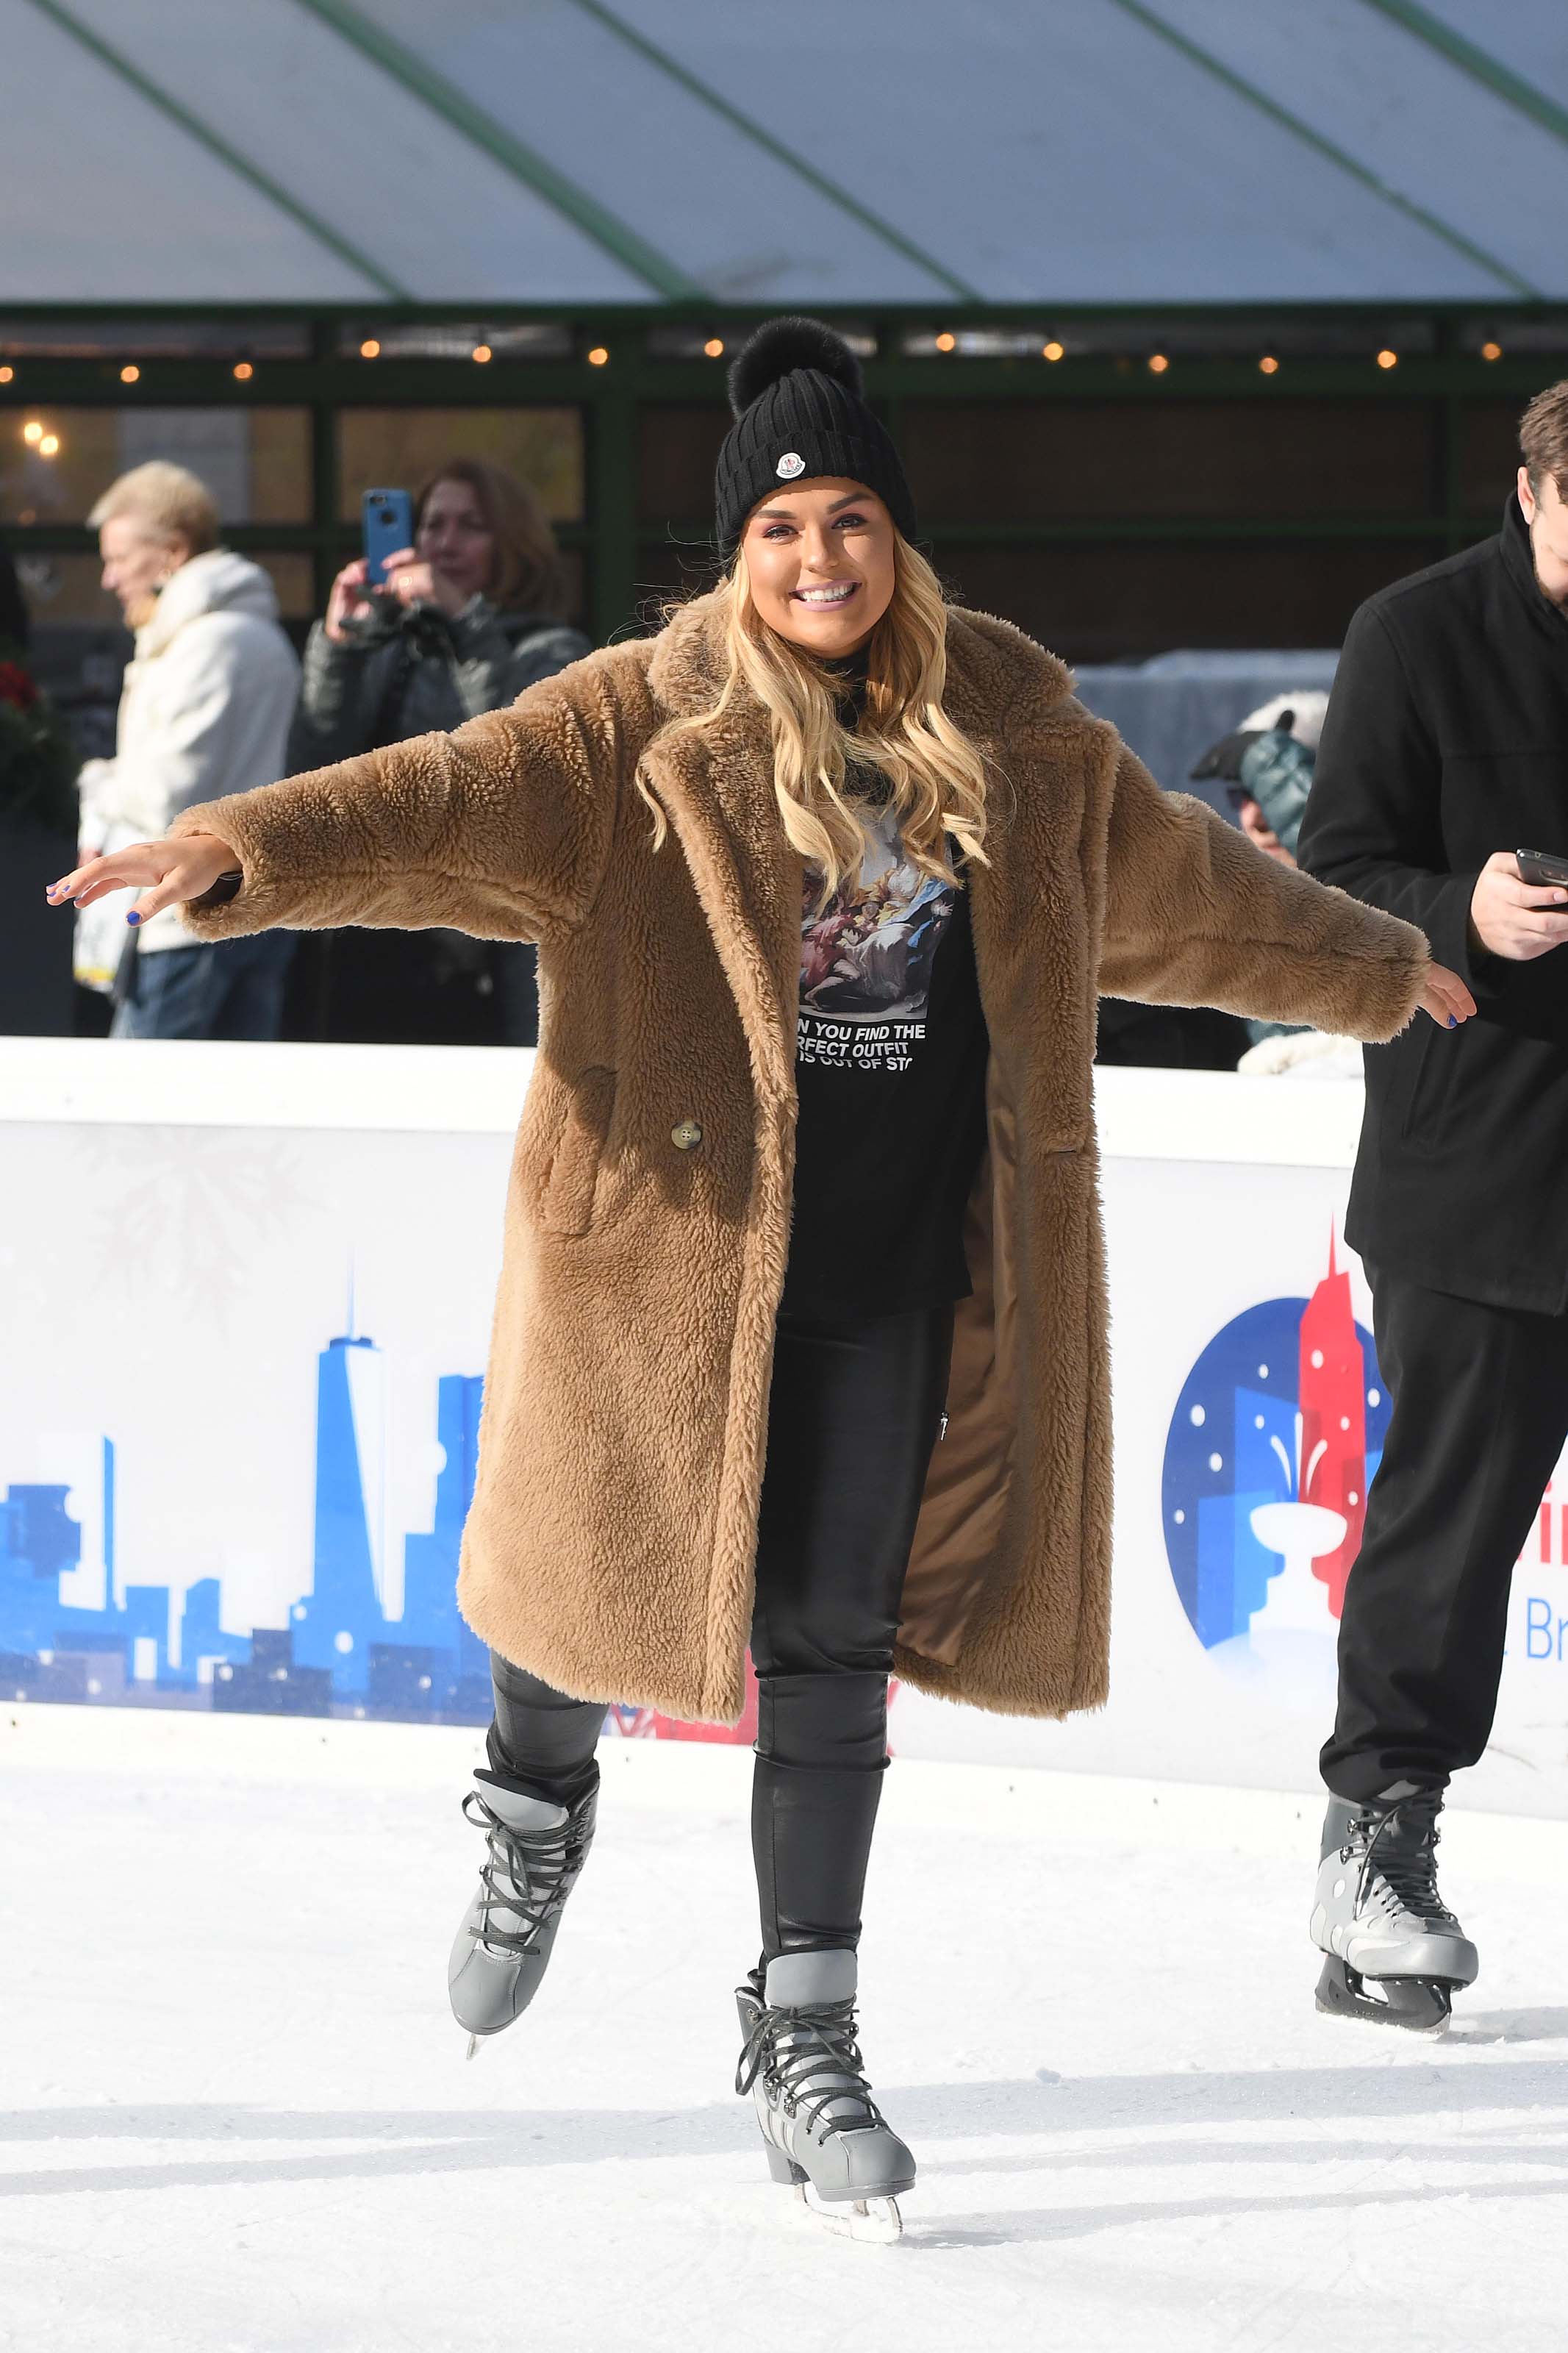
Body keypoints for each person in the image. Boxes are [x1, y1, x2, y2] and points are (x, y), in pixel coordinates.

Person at [49, 318, 1463, 2238]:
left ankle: (803, 2030)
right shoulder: (628, 727)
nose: (820, 558)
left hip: (895, 1272)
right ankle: (531, 1810)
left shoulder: (1019, 738)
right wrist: (236, 850)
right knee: (575, 1600)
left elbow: (1192, 895)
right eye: (782, 525)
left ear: (898, 535)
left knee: (827, 1652)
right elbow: (435, 802)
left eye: (852, 517)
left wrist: (1378, 968)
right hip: (661, 1262)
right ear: (734, 553)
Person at [1295, 379, 1568, 2032]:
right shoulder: (1412, 636)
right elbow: (1329, 879)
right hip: (1479, 1170)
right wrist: (1454, 911)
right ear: (1535, 490)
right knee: (1446, 1535)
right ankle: (1376, 1840)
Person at [290, 457, 588, 1046]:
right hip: (371, 931)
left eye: (471, 525)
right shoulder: (391, 645)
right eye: (432, 524)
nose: (445, 542)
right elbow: (314, 760)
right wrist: (337, 647)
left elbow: (512, 763)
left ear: (511, 541)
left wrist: (463, 622)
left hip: (480, 949)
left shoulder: (550, 646)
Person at [78, 462, 299, 1040]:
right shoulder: (238, 634)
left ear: (172, 552)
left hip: (187, 926)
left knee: (140, 1115)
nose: (109, 578)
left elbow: (170, 803)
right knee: (234, 1115)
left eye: (120, 558)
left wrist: (98, 785)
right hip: (248, 911)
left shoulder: (210, 643)